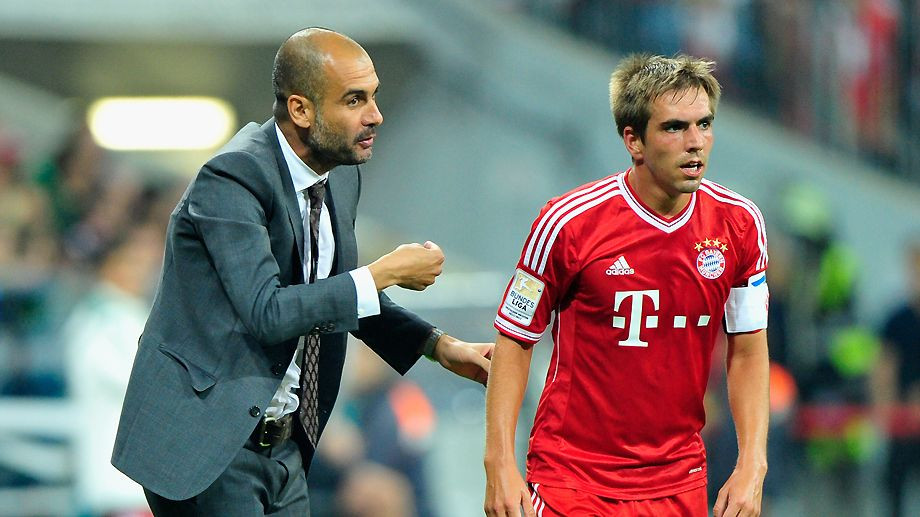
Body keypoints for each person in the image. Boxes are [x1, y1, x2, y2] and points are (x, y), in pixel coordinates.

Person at [112, 28, 492, 516]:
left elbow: (336, 295)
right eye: (354, 100)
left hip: (286, 448)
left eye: (373, 96)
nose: (375, 115)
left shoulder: (341, 177)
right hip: (209, 445)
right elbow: (268, 311)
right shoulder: (231, 178)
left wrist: (437, 345)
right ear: (301, 110)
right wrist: (382, 272)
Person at [483, 54, 769, 517]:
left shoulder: (739, 224)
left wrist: (752, 465)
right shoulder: (567, 223)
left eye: (704, 124)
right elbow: (514, 341)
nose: (695, 142)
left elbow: (749, 348)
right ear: (633, 140)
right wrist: (498, 465)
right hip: (573, 481)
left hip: (678, 483)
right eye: (674, 128)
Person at [871, 241, 920, 517]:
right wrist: (885, 409)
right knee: (894, 489)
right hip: (903, 424)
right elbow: (883, 367)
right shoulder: (897, 320)